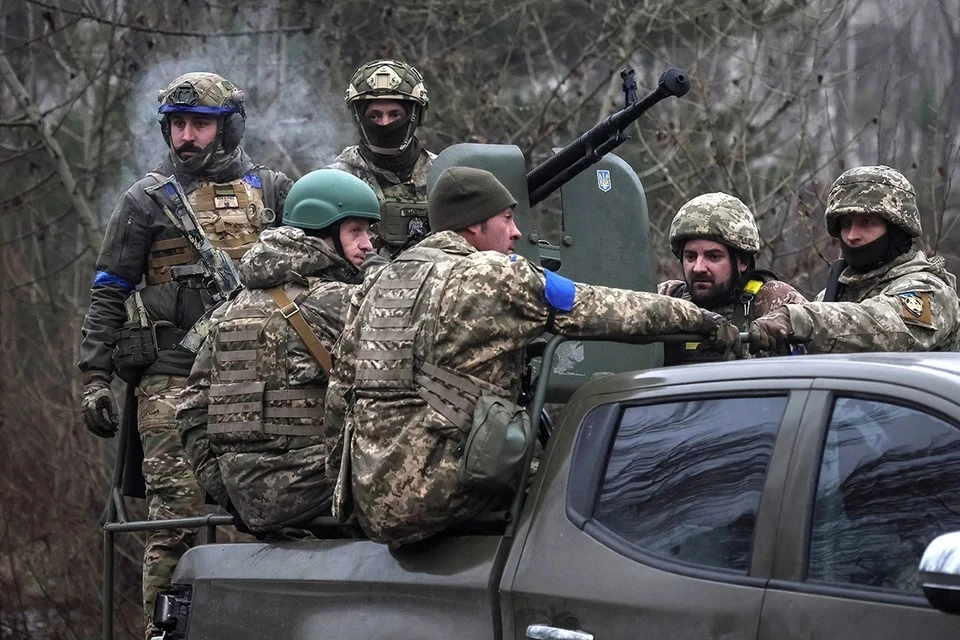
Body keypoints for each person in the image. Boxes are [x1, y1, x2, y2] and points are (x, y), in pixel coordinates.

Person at [324, 166, 741, 548]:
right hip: (442, 496)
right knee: (606, 491)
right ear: (473, 224)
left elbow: (339, 396)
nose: (517, 233)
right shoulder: (493, 274)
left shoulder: (378, 281)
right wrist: (700, 319)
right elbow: (604, 308)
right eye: (506, 219)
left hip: (370, 503)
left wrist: (344, 497)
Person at [77, 72, 293, 637]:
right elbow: (109, 289)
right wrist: (95, 376)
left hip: (256, 376)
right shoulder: (145, 201)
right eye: (177, 125)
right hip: (169, 378)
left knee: (278, 508)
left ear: (229, 127)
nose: (186, 137)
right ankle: (162, 629)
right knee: (173, 520)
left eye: (200, 124)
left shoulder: (272, 191)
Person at [176, 170, 380, 537]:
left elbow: (190, 409)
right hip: (319, 490)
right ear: (323, 236)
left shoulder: (228, 310)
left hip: (248, 502)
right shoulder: (337, 302)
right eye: (355, 232)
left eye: (369, 232)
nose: (368, 244)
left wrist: (231, 497)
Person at [750, 165, 960, 353]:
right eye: (846, 224)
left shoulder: (930, 290)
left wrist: (797, 319)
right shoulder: (833, 296)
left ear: (897, 229)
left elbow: (885, 328)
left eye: (866, 222)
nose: (852, 235)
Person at [658, 192, 807, 363]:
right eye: (690, 257)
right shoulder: (668, 295)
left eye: (713, 256)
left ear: (742, 261)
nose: (698, 268)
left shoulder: (774, 300)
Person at [327, 58, 436, 258]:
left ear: (415, 116)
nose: (385, 124)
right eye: (375, 116)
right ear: (359, 118)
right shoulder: (335, 181)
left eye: (395, 115)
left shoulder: (442, 175)